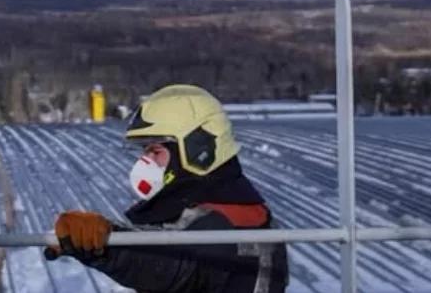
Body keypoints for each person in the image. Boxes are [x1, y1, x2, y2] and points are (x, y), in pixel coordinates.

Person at [46, 84, 289, 292]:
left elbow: (172, 264)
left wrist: (106, 242)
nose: (146, 163)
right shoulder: (226, 201)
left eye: (155, 151)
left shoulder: (231, 217)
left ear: (198, 149)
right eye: (144, 152)